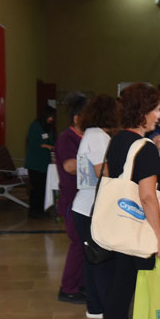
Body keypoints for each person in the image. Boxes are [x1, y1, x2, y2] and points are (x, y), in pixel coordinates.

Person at [101, 83, 160, 319]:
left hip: (124, 225)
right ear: (144, 112)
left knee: (122, 279)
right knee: (150, 289)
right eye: (156, 109)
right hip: (144, 228)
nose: (159, 115)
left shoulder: (118, 140)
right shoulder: (144, 149)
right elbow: (147, 196)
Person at [71, 94, 119, 319]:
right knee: (101, 260)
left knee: (93, 259)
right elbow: (103, 171)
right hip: (91, 207)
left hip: (86, 206)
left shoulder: (92, 134)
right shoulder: (98, 136)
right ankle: (108, 310)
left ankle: (95, 307)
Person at [55, 91, 88, 304]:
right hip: (72, 200)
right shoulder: (67, 138)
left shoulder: (85, 138)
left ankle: (81, 284)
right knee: (78, 243)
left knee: (85, 244)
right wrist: (97, 166)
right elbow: (69, 166)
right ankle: (67, 288)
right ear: (77, 119)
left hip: (83, 200)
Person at [25, 106, 55, 219]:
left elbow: (51, 141)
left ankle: (41, 209)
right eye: (50, 116)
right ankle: (34, 211)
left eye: (53, 116)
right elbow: (33, 144)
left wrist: (50, 146)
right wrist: (46, 146)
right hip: (35, 164)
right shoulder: (35, 126)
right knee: (36, 188)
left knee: (43, 188)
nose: (51, 119)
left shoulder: (48, 127)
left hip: (44, 164)